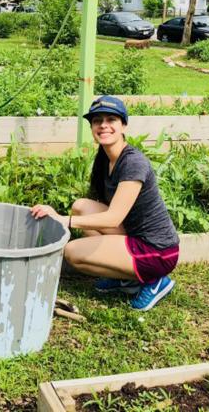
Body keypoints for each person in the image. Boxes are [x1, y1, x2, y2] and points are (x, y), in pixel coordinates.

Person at [31, 96, 179, 311]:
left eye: (111, 119)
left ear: (123, 125)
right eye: (97, 121)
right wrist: (69, 217)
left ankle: (153, 279)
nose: (103, 125)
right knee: (81, 205)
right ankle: (127, 277)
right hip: (135, 235)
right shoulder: (107, 158)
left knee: (73, 252)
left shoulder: (133, 163)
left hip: (158, 251)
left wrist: (62, 220)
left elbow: (113, 218)